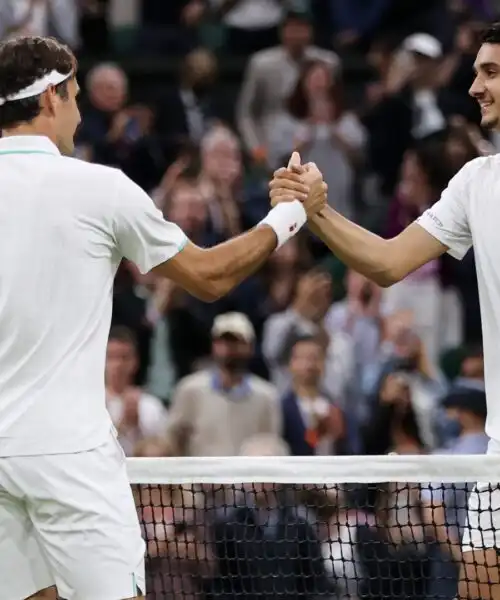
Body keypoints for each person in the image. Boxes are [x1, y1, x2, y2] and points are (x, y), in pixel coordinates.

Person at [0, 35, 325, 600]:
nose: (78, 115)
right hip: (69, 456)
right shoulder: (99, 188)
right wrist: (292, 213)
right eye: (75, 97)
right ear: (51, 97)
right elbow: (209, 276)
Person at [270, 20, 500, 600]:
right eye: (475, 71)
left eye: (491, 72)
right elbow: (388, 261)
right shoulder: (476, 182)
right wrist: (316, 210)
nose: (474, 87)